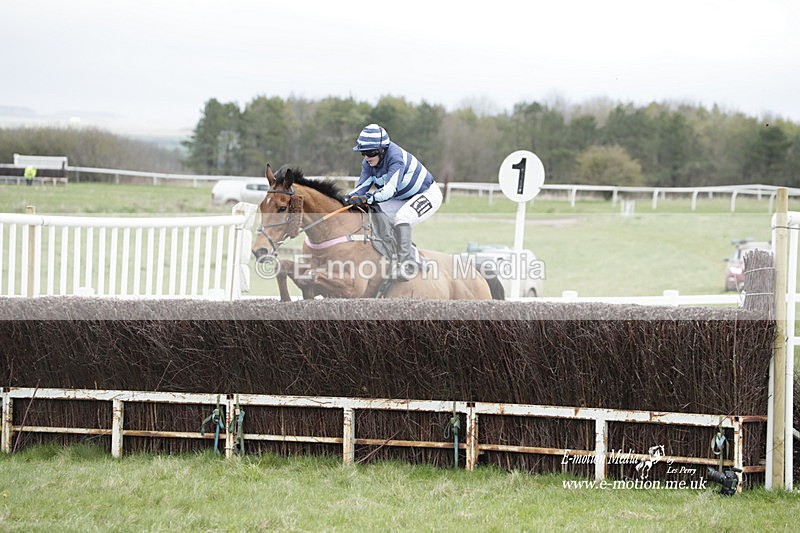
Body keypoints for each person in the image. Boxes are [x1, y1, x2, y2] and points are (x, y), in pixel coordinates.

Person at [343, 123, 443, 281]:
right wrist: (344, 199)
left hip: (427, 194)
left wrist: (367, 198)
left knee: (402, 218)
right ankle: (388, 255)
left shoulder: (395, 158)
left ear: (382, 150)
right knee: (374, 213)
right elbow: (360, 189)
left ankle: (406, 263)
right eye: (363, 152)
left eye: (370, 152)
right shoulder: (368, 163)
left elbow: (389, 191)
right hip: (400, 197)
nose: (366, 157)